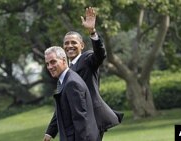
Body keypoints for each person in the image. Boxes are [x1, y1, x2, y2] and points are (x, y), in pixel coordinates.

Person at [44, 7, 124, 141]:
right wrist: (50, 132)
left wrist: (92, 32)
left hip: (92, 118)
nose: (70, 46)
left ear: (82, 45)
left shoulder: (87, 59)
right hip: (78, 122)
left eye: (73, 42)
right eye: (66, 43)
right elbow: (62, 105)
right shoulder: (63, 73)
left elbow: (100, 55)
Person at [44, 46, 100, 141]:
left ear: (64, 61)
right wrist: (50, 132)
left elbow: (81, 121)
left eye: (53, 62)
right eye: (47, 64)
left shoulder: (72, 83)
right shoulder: (64, 81)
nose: (50, 67)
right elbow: (61, 110)